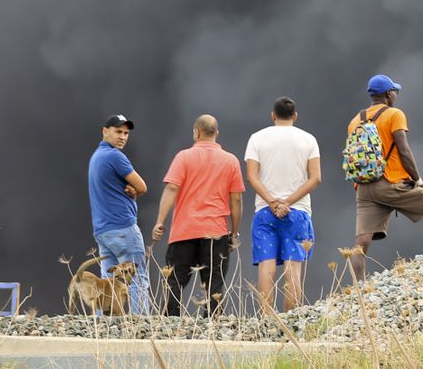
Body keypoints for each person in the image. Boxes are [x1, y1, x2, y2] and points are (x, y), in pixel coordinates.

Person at [348, 74, 423, 281]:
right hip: (392, 183)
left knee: (361, 242)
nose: (396, 94)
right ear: (387, 94)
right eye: (394, 91)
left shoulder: (355, 121)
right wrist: (419, 181)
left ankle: (359, 290)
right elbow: (403, 150)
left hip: (365, 187)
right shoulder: (394, 114)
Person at [152, 114, 245, 316]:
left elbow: (171, 189)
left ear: (196, 132)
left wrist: (160, 222)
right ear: (217, 133)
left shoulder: (183, 157)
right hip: (216, 232)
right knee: (214, 284)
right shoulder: (231, 161)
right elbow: (236, 200)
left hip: (184, 231)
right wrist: (234, 233)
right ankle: (212, 329)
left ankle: (169, 327)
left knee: (175, 282)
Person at [244, 97, 321, 313]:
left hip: (265, 213)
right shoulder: (308, 140)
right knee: (293, 269)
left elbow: (252, 177)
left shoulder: (257, 139)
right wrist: (287, 202)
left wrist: (272, 202)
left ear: (273, 115)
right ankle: (290, 323)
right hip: (297, 212)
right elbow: (315, 178)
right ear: (295, 116)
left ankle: (266, 321)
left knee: (266, 267)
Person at [87, 114, 149, 314]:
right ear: (105, 132)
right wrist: (135, 190)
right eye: (118, 131)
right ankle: (140, 328)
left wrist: (132, 190)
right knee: (137, 278)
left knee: (108, 284)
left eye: (126, 133)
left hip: (102, 230)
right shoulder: (115, 156)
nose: (122, 136)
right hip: (123, 228)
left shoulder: (96, 157)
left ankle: (104, 329)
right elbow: (142, 186)